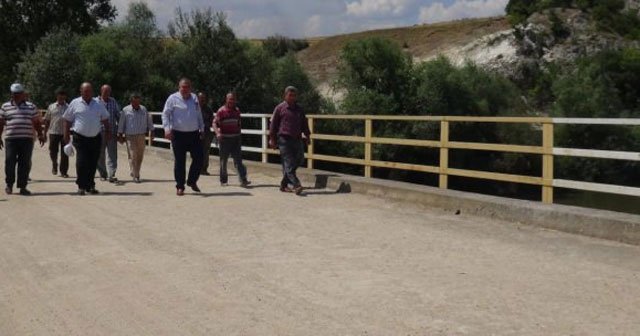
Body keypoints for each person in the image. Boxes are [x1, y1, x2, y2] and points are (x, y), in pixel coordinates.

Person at [63, 82, 110, 195]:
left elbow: (105, 118)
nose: (88, 93)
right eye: (85, 91)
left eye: (89, 91)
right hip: (80, 137)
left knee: (93, 162)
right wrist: (66, 135)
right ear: (81, 91)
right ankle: (81, 186)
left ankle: (90, 185)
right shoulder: (75, 103)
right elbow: (67, 119)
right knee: (82, 162)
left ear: (92, 92)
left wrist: (108, 132)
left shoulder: (98, 103)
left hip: (95, 137)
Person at [0, 83, 46, 195]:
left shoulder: (31, 106)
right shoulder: (5, 106)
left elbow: (36, 122)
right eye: (13, 94)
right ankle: (9, 185)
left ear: (22, 94)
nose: (15, 96)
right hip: (11, 139)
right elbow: (1, 123)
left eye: (18, 94)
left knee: (24, 163)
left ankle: (22, 186)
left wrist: (40, 135)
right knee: (10, 162)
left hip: (26, 139)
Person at [162, 78, 205, 196]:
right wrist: (166, 129)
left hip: (194, 133)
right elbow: (165, 114)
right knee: (180, 162)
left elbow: (198, 114)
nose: (185, 89)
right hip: (178, 134)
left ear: (190, 88)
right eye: (183, 87)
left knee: (199, 158)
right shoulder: (172, 98)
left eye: (187, 87)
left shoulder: (194, 98)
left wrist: (202, 128)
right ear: (179, 87)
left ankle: (191, 181)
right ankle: (180, 186)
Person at [269, 86, 310, 195]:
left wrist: (308, 136)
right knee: (289, 163)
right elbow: (273, 125)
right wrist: (272, 139)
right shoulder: (279, 108)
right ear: (285, 96)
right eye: (290, 95)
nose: (292, 97)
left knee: (300, 159)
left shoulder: (299, 109)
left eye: (294, 95)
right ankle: (297, 185)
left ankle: (283, 184)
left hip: (297, 139)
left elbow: (304, 124)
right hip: (284, 139)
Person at [214, 92, 250, 187]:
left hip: (236, 138)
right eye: (230, 99)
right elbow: (214, 123)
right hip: (225, 139)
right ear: (226, 100)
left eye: (233, 99)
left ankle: (243, 179)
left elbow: (238, 123)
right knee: (223, 161)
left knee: (238, 160)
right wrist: (217, 133)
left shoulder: (237, 111)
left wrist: (239, 134)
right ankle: (223, 180)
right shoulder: (221, 111)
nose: (231, 101)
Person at [117, 93, 154, 183]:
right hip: (130, 136)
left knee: (140, 155)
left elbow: (149, 121)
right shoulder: (125, 110)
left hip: (141, 135)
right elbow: (122, 123)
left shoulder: (143, 109)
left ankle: (134, 171)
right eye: (134, 102)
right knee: (133, 155)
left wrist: (152, 131)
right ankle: (136, 175)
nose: (136, 104)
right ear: (131, 102)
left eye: (138, 102)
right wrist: (120, 135)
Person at [96, 84, 121, 183]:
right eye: (105, 91)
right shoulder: (96, 102)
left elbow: (118, 115)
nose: (107, 93)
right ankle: (103, 173)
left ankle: (112, 174)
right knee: (100, 154)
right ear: (101, 91)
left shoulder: (113, 101)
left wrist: (120, 131)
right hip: (99, 131)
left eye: (109, 91)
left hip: (111, 131)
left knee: (112, 153)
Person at [44, 88, 69, 178]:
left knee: (65, 153)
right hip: (53, 132)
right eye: (59, 95)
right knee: (53, 152)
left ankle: (64, 171)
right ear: (57, 96)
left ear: (65, 96)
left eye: (63, 95)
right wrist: (44, 134)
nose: (61, 97)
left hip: (64, 133)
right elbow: (47, 121)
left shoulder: (69, 107)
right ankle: (54, 164)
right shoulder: (51, 106)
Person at [199, 92, 215, 175]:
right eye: (200, 98)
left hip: (206, 132)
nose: (202, 100)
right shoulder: (194, 108)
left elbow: (212, 120)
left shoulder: (208, 109)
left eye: (203, 98)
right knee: (196, 151)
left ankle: (204, 169)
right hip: (195, 132)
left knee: (206, 151)